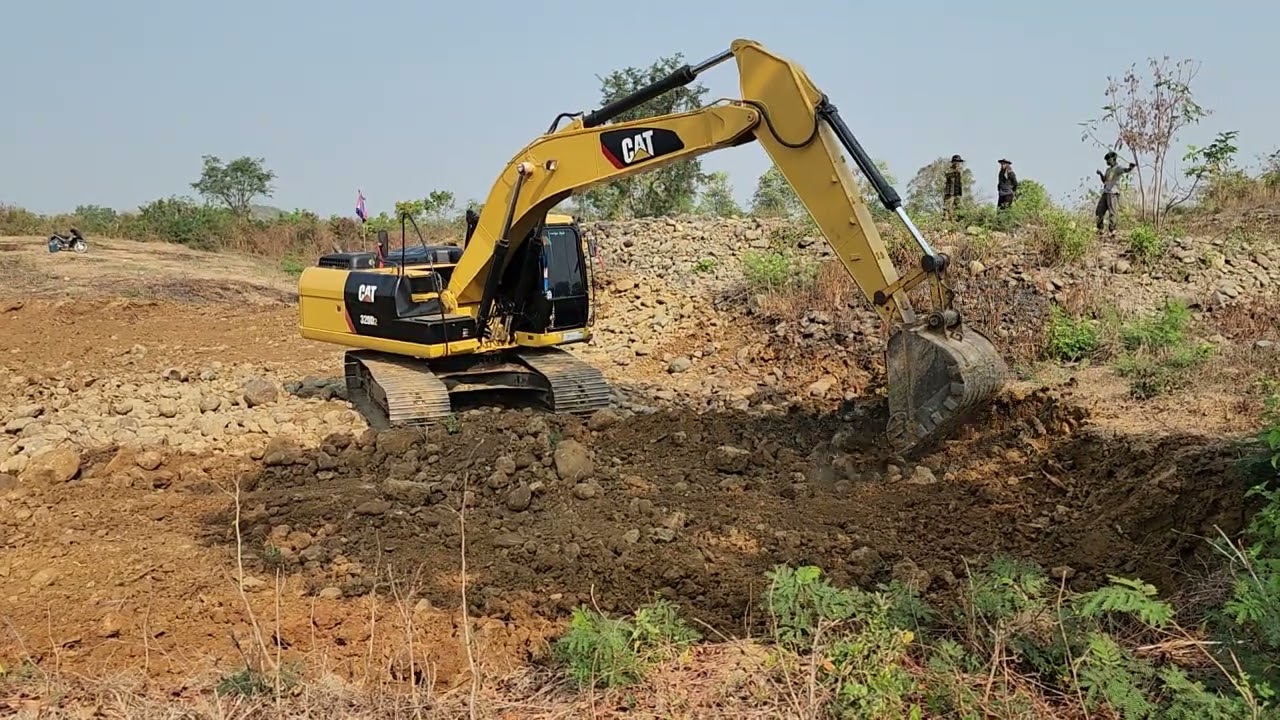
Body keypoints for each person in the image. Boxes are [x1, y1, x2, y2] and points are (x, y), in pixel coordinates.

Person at [1095, 151, 1137, 237]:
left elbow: (1125, 170)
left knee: (1112, 212)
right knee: (1099, 211)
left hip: (1113, 193)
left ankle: (1112, 231)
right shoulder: (1108, 170)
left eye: (1108, 160)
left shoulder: (1118, 168)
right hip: (1106, 192)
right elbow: (1105, 181)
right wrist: (1100, 174)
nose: (1107, 162)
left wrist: (1130, 168)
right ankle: (1100, 229)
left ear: (1113, 159)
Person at [943, 154, 965, 220]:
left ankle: (960, 222)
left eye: (959, 162)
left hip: (958, 193)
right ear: (953, 162)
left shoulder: (960, 171)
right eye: (956, 162)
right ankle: (945, 223)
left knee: (960, 208)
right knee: (947, 208)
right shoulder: (949, 170)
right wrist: (954, 171)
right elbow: (946, 175)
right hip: (950, 193)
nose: (958, 163)